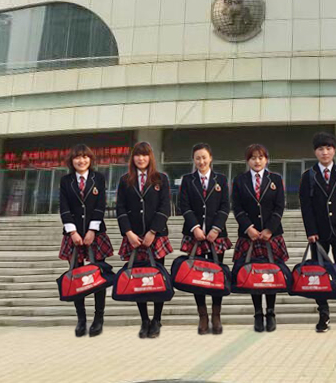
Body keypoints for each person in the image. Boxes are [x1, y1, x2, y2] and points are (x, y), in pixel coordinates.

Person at [298, 131, 336, 333]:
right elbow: (306, 207)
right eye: (321, 149)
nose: (325, 152)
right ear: (315, 152)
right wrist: (311, 231)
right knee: (318, 273)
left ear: (334, 150)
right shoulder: (308, 176)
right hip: (318, 234)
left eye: (328, 148)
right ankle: (323, 314)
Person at [115, 141, 172, 339]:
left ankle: (157, 319)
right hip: (134, 238)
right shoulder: (125, 180)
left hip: (156, 237)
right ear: (133, 158)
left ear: (150, 157)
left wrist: (153, 231)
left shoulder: (161, 179)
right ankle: (144, 320)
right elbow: (120, 208)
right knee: (138, 277)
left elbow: (165, 207)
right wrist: (128, 233)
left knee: (157, 277)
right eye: (138, 155)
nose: (141, 158)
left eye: (145, 155)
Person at [175, 142, 232, 335]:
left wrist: (216, 228)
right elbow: (184, 205)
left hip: (217, 236)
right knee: (197, 276)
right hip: (195, 236)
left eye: (204, 157)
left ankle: (216, 315)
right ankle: (203, 316)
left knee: (217, 274)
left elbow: (225, 206)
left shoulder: (220, 179)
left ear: (210, 158)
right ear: (194, 160)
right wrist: (195, 228)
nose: (201, 161)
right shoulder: (188, 180)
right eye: (197, 158)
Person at [57, 143, 113, 337]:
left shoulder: (99, 178)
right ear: (71, 161)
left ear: (90, 159)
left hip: (95, 235)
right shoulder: (66, 181)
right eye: (77, 157)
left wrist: (91, 230)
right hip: (73, 236)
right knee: (76, 276)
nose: (81, 160)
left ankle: (98, 319)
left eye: (85, 157)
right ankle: (81, 319)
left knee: (99, 276)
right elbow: (64, 207)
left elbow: (100, 205)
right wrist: (73, 232)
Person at [231, 143, 287, 333]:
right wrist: (249, 228)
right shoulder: (240, 180)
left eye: (260, 157)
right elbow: (237, 207)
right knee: (253, 273)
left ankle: (270, 312)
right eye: (253, 158)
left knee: (271, 273)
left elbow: (280, 206)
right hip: (250, 236)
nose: (257, 161)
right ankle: (257, 313)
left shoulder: (276, 179)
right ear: (248, 161)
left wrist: (269, 229)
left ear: (266, 160)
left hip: (272, 235)